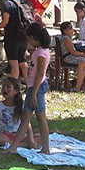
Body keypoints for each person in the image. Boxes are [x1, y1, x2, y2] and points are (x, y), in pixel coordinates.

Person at [15, 23, 52, 154]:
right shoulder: (39, 51)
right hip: (33, 86)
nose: (28, 42)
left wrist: (34, 93)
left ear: (33, 37)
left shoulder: (41, 53)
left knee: (40, 117)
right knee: (26, 117)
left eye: (28, 39)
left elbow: (40, 73)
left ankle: (46, 149)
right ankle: (13, 147)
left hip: (37, 87)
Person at [0, 77, 33, 148]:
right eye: (3, 87)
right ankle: (19, 145)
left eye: (8, 87)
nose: (5, 89)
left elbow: (27, 123)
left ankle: (17, 144)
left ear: (15, 91)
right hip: (4, 136)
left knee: (40, 138)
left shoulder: (21, 105)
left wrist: (31, 140)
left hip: (18, 135)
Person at [0, 0, 28, 83]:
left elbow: (5, 21)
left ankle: (14, 87)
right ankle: (28, 83)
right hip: (23, 36)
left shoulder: (8, 4)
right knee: (22, 61)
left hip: (12, 38)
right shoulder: (20, 1)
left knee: (13, 63)